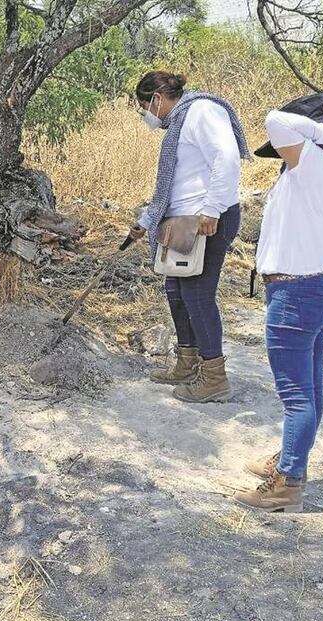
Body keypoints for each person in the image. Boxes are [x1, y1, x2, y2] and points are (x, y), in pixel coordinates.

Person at [235, 96, 323, 512]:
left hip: (296, 294)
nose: (281, 154)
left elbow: (274, 118)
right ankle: (288, 462)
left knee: (297, 395)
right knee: (310, 389)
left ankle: (288, 484)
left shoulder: (316, 163)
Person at [129, 71, 249, 403]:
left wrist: (211, 209)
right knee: (176, 291)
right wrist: (146, 220)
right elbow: (179, 182)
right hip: (181, 220)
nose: (147, 116)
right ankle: (187, 361)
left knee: (197, 294)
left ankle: (214, 378)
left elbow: (225, 157)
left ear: (156, 98)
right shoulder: (180, 122)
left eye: (145, 107)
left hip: (206, 219)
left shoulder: (202, 112)